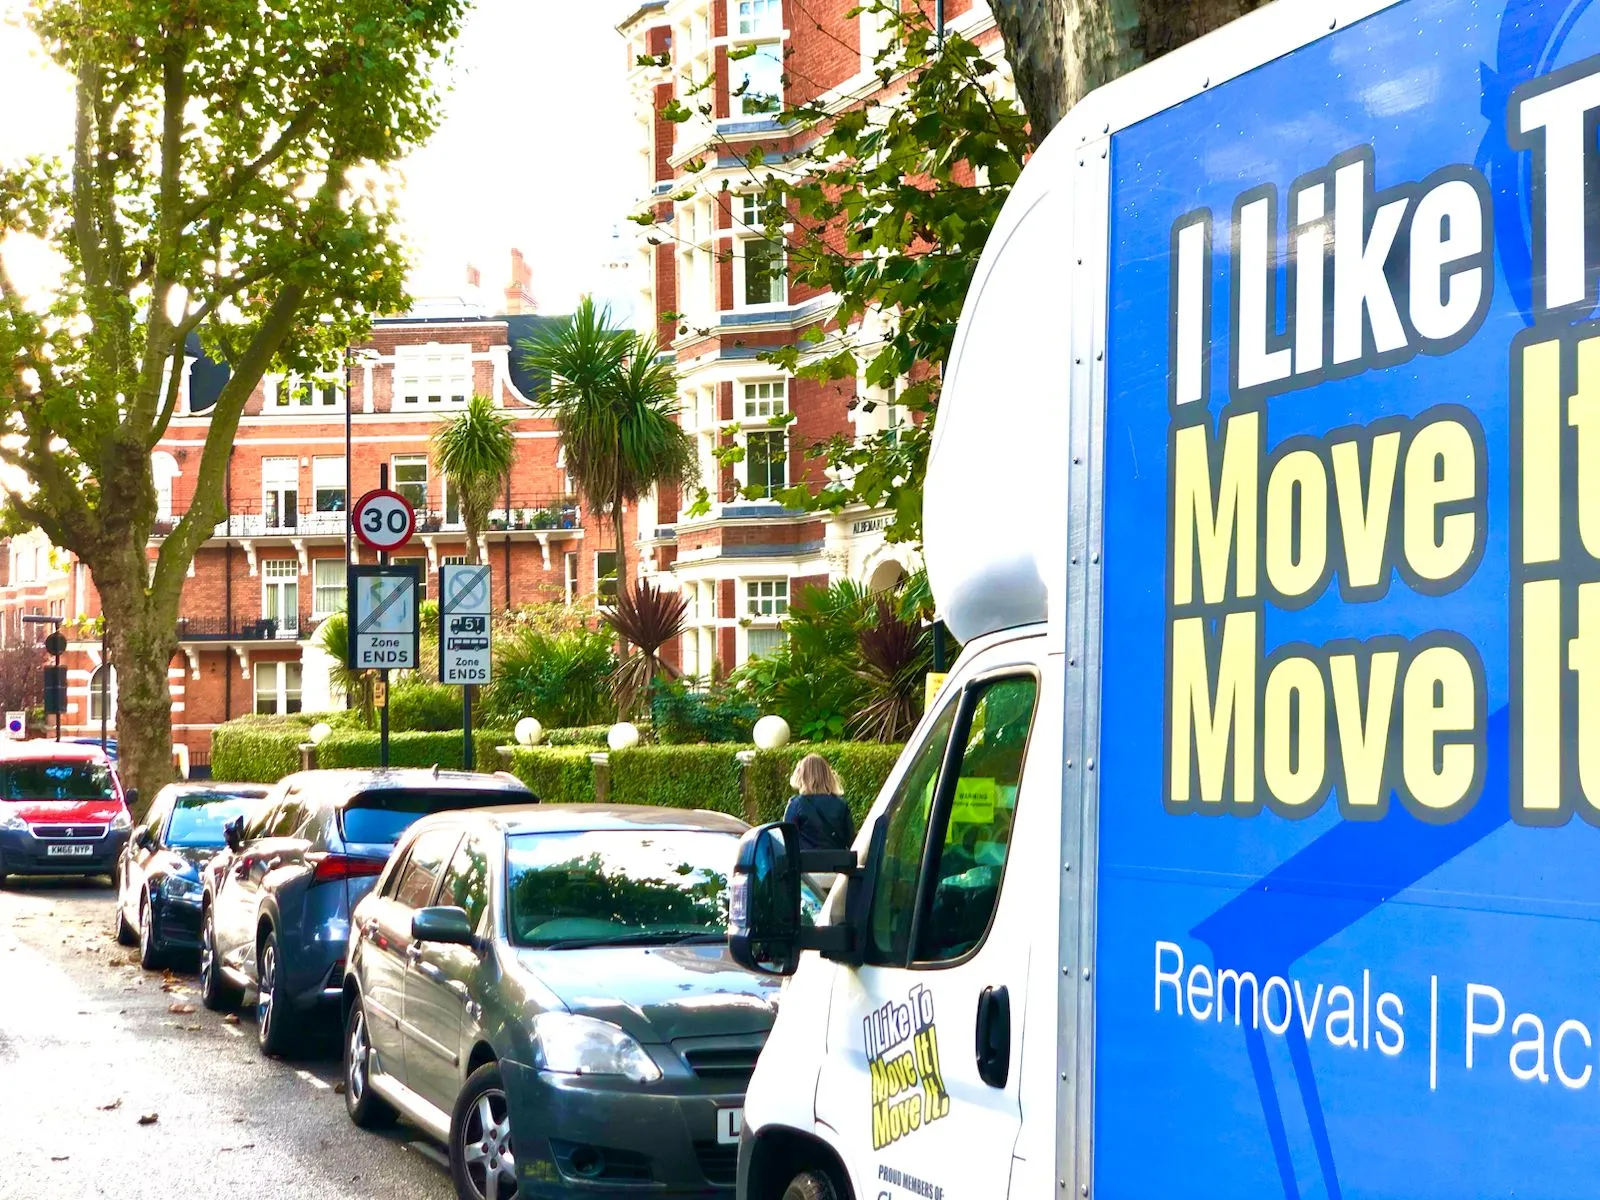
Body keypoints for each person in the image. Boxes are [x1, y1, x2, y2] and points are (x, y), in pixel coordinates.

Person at [783, 754, 855, 853]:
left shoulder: (796, 804)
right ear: (827, 775)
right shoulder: (841, 805)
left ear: (802, 776)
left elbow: (787, 840)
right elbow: (850, 839)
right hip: (836, 865)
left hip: (806, 865)